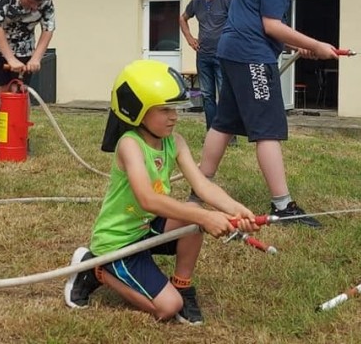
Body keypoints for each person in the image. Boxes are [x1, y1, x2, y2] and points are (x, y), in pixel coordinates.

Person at [63, 59, 258, 325]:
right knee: (168, 308)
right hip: (119, 241)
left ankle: (182, 285)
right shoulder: (129, 145)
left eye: (175, 108)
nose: (174, 116)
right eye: (165, 109)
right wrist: (204, 219)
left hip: (147, 227)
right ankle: (95, 268)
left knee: (194, 212)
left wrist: (236, 209)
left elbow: (202, 186)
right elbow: (148, 199)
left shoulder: (174, 141)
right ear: (137, 111)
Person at [195, 0, 339, 228]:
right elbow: (271, 25)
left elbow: (264, 27)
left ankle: (200, 187)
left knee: (224, 122)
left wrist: (295, 45)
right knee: (269, 129)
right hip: (251, 59)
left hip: (232, 54)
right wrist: (316, 45)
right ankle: (284, 206)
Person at [0, 0, 55, 158]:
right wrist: (10, 58)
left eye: (38, 3)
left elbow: (48, 28)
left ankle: (20, 137)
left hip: (24, 43)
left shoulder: (46, 0)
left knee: (20, 90)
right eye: (30, 1)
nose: (34, 7)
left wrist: (36, 58)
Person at [178, 0, 232, 134]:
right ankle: (212, 133)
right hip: (203, 56)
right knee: (207, 96)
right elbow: (183, 18)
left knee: (225, 96)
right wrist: (189, 39)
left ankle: (229, 134)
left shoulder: (227, 0)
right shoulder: (196, 2)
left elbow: (238, 22)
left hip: (222, 56)